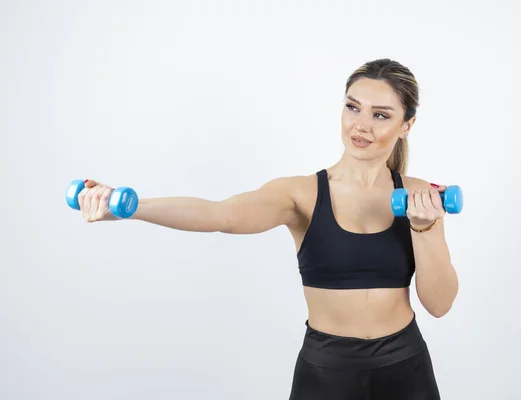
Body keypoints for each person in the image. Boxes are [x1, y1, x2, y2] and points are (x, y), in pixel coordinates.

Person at [77, 58, 459, 399]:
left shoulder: (417, 197)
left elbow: (439, 305)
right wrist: (129, 208)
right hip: (326, 372)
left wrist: (424, 228)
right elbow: (219, 215)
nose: (361, 124)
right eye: (352, 107)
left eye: (381, 115)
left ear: (406, 125)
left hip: (405, 368)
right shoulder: (301, 194)